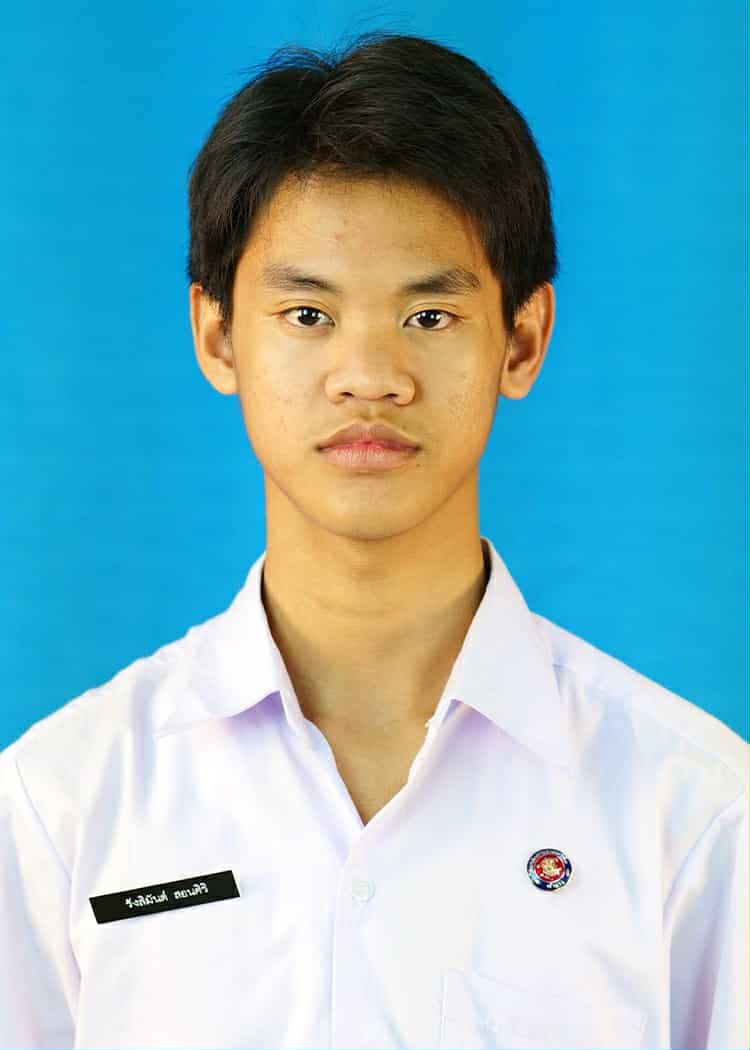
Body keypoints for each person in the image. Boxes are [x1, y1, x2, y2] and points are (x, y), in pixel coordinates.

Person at [1, 30, 747, 1050]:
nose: (369, 376)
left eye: (429, 316)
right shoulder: (60, 805)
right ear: (218, 336)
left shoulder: (696, 812)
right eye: (307, 313)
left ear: (522, 339)